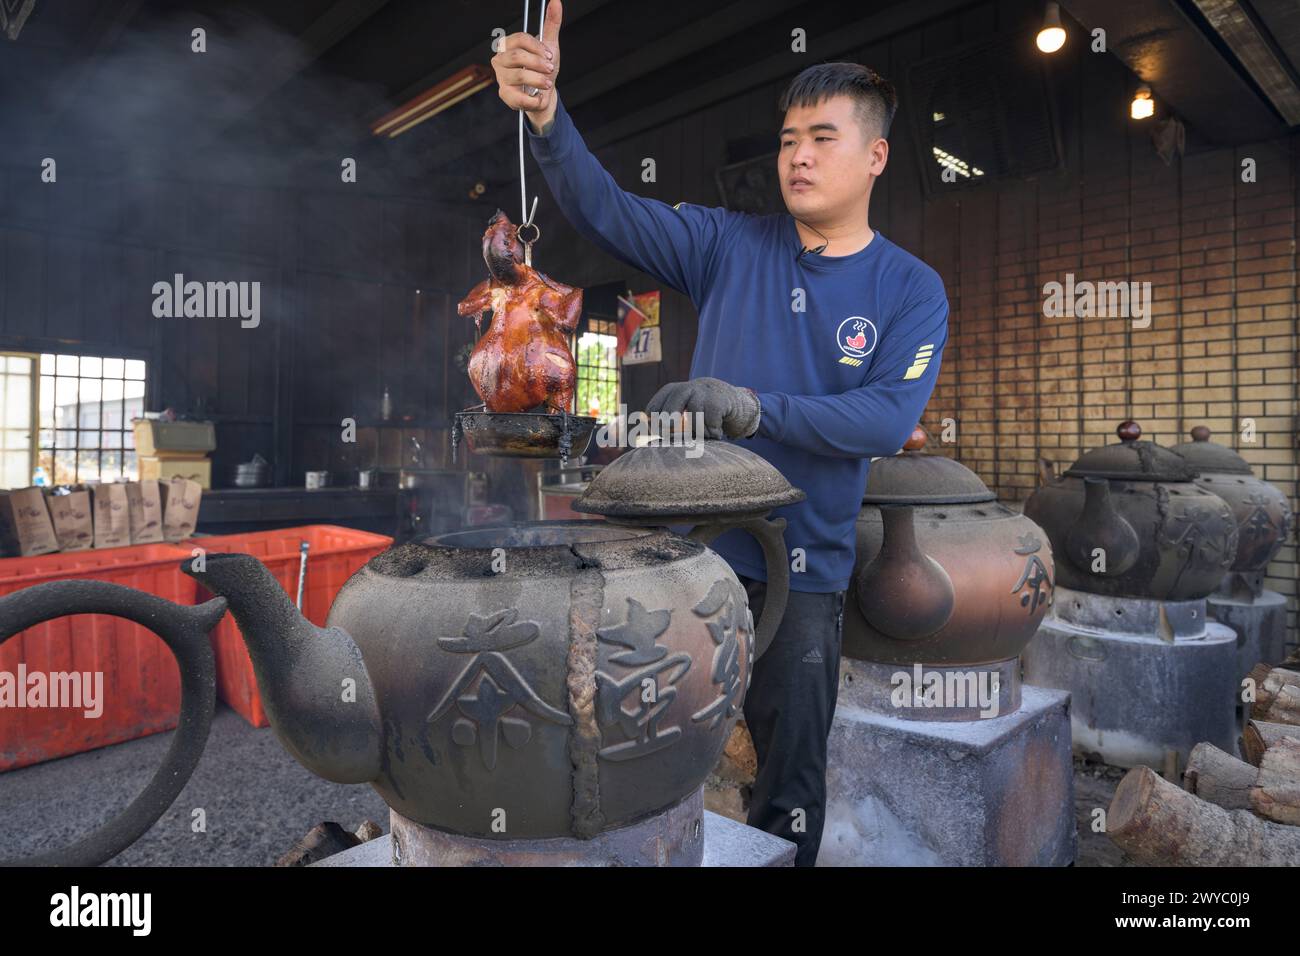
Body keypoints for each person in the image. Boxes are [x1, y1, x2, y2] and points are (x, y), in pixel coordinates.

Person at [491, 0, 949, 866]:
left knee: (789, 779)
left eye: (821, 137)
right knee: (636, 749)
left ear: (876, 155)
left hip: (803, 571)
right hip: (685, 554)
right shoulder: (728, 245)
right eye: (786, 140)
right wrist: (549, 118)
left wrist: (753, 406)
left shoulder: (909, 288)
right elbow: (606, 210)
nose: (798, 156)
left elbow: (888, 418)